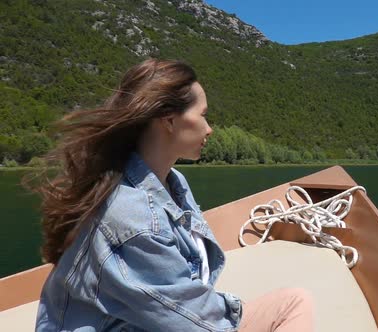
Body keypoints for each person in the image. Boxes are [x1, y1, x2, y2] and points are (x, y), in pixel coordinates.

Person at [32, 59, 314, 331]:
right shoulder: (131, 216)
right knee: (291, 305)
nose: (209, 128)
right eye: (202, 115)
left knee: (294, 302)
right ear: (168, 120)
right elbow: (192, 323)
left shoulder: (173, 181)